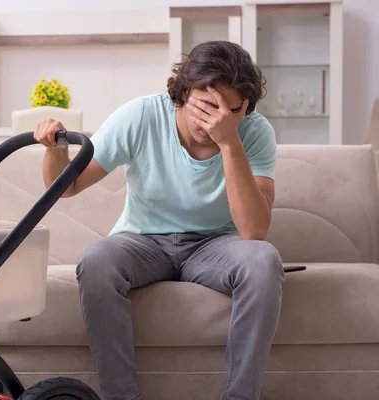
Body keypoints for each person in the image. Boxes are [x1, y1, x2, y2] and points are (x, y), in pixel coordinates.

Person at [33, 40, 285, 400]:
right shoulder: (140, 116)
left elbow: (254, 231)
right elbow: (66, 186)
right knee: (96, 259)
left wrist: (230, 143)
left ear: (244, 109)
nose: (214, 121)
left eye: (230, 111)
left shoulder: (254, 131)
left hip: (217, 244)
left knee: (264, 260)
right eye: (207, 106)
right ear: (183, 92)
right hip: (144, 241)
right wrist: (55, 149)